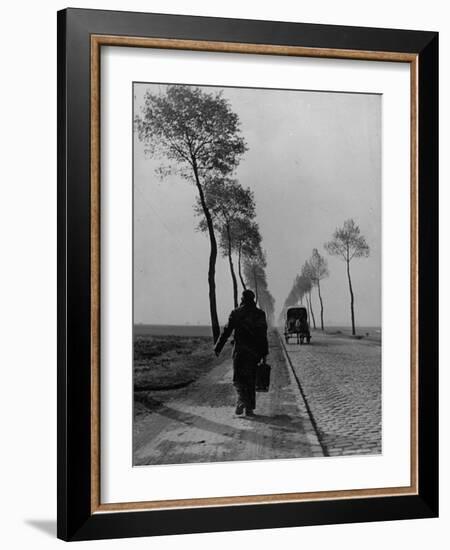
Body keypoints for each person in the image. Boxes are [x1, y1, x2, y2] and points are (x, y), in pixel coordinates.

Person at [214, 289, 269, 417]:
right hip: (254, 353)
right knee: (251, 379)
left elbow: (226, 331)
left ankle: (240, 401)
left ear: (242, 299)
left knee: (238, 379)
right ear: (253, 299)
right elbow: (263, 335)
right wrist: (264, 353)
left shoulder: (236, 313)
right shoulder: (260, 314)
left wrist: (218, 347)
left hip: (240, 352)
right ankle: (249, 409)